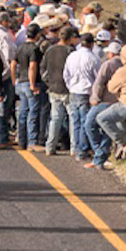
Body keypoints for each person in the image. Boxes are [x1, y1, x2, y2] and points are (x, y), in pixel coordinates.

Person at [63, 32, 99, 160]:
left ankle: (77, 147)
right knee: (85, 122)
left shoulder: (72, 56)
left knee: (76, 121)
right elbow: (97, 79)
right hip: (85, 92)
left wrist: (70, 86)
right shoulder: (93, 58)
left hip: (73, 91)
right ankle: (82, 150)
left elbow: (66, 74)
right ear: (91, 44)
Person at [12, 24, 46, 151]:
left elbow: (13, 64)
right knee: (33, 112)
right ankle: (32, 141)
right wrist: (32, 84)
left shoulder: (20, 47)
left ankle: (22, 140)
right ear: (37, 35)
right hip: (30, 83)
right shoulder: (34, 49)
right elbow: (32, 66)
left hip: (20, 82)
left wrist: (14, 80)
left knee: (23, 112)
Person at [41, 27, 74, 155]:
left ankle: (50, 146)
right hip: (67, 89)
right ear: (70, 38)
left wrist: (49, 83)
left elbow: (43, 69)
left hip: (53, 88)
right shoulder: (70, 51)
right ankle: (74, 148)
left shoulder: (50, 50)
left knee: (55, 118)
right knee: (72, 118)